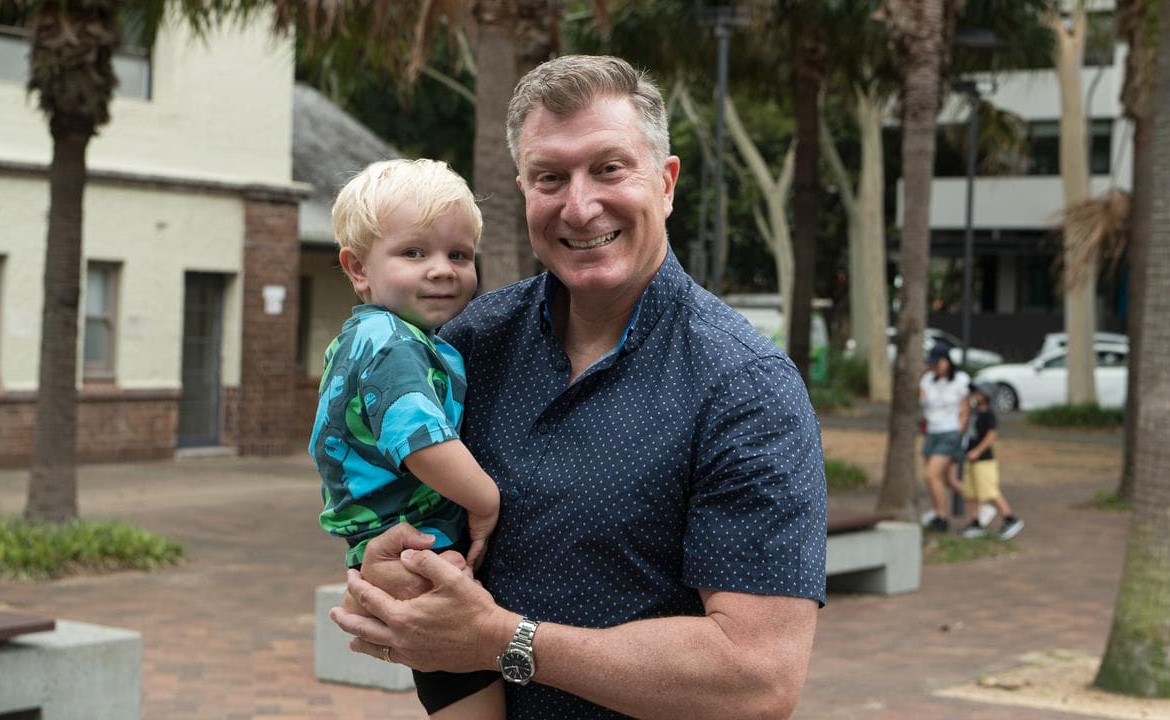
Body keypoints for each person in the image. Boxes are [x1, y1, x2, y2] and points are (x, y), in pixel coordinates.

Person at [328, 54, 827, 719]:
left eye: (609, 168)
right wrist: (391, 569)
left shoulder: (746, 388)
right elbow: (386, 494)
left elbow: (757, 679)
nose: (581, 204)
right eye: (550, 177)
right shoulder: (470, 342)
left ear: (667, 182)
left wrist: (505, 642)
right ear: (524, 191)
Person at [310, 158, 504, 719]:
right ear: (358, 268)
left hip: (395, 546)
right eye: (414, 253)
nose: (442, 270)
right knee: (471, 694)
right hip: (421, 551)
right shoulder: (389, 341)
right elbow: (420, 440)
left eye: (459, 254)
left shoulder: (375, 336)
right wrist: (484, 500)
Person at [959, 383, 1025, 540]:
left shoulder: (989, 414)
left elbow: (991, 435)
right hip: (970, 459)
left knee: (990, 491)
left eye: (978, 392)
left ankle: (1009, 518)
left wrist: (977, 451)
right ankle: (975, 521)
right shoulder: (974, 412)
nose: (975, 394)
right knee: (972, 493)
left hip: (984, 460)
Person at [919, 343, 970, 533]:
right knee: (945, 479)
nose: (934, 366)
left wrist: (959, 431)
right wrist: (924, 372)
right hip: (932, 432)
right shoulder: (927, 381)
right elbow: (921, 401)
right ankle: (940, 511)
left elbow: (965, 409)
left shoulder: (960, 380)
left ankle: (941, 517)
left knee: (931, 475)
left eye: (937, 363)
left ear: (947, 361)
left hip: (950, 433)